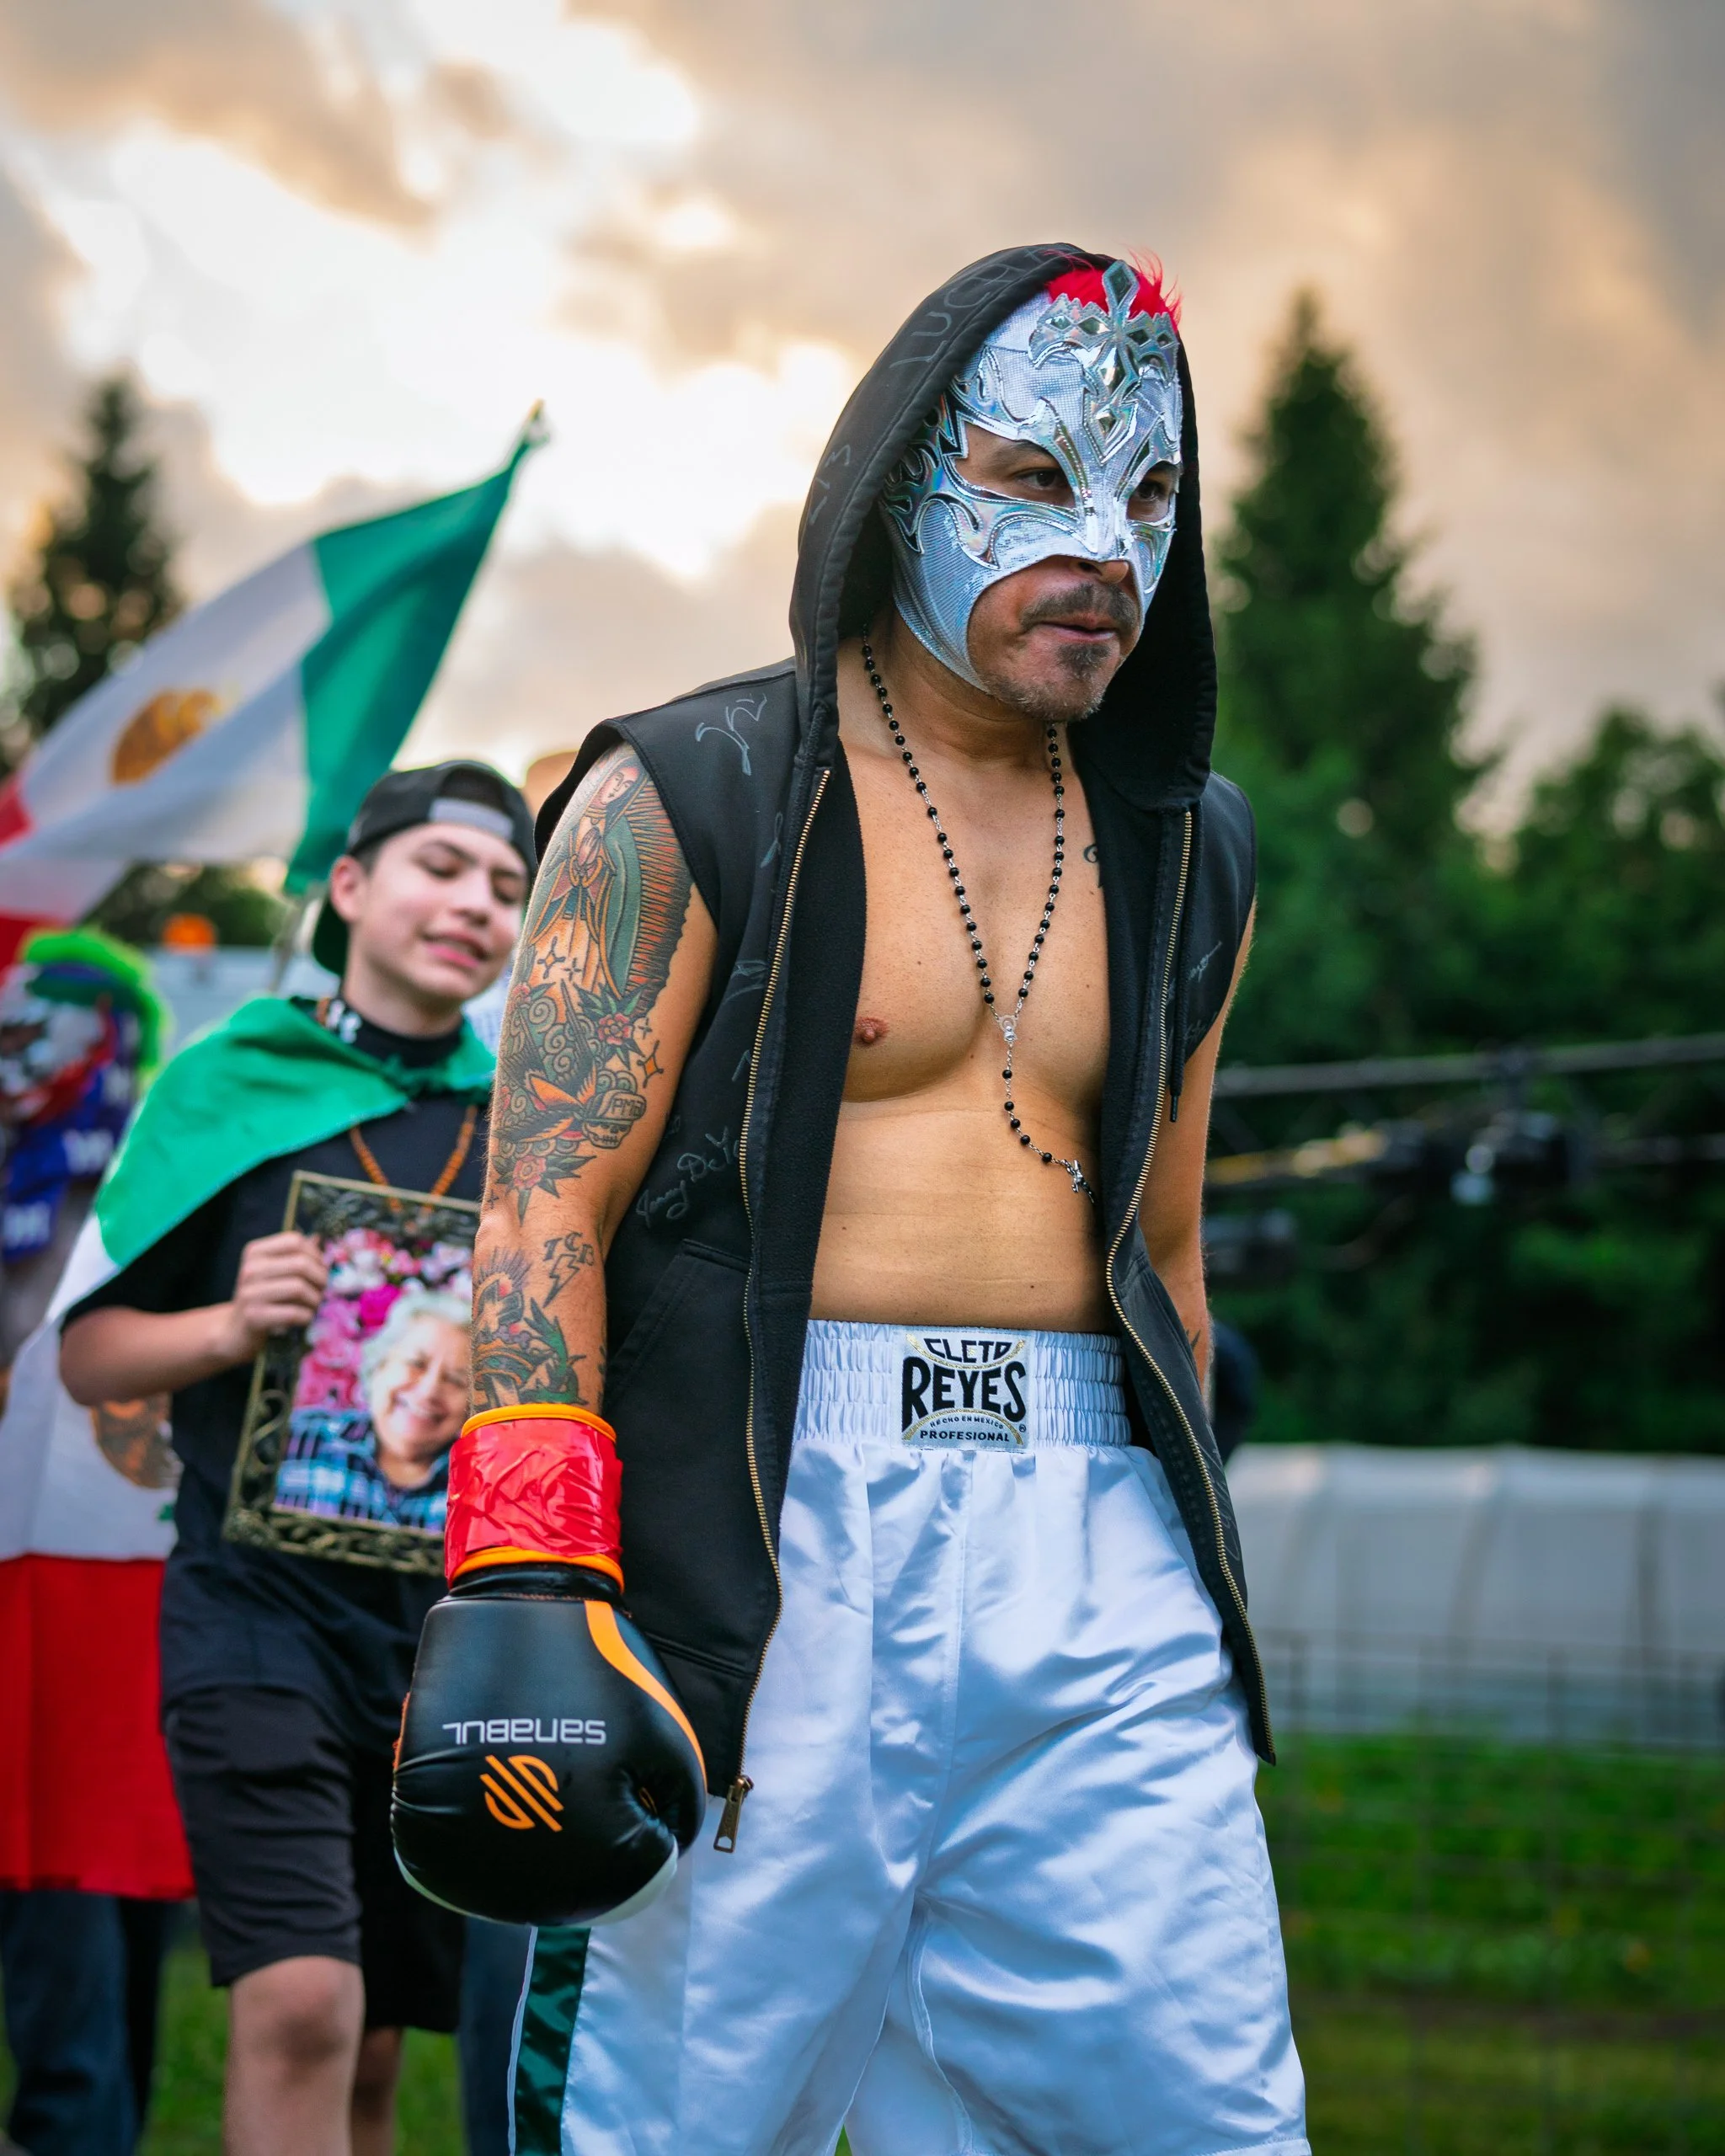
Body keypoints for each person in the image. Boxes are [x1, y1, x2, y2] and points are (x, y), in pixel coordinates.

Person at [400, 247, 1308, 2154]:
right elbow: (541, 1202)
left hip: (1091, 1541)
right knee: (663, 2120)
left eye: (1148, 496)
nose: (1105, 552)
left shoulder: (1189, 848)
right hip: (765, 1518)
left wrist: (1196, 1583)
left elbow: (1159, 1252)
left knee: (1203, 2116)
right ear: (900, 484)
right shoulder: (692, 788)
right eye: (1035, 477)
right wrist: (531, 1569)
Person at [58, 760, 533, 2156]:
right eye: (439, 867)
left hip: (439, 1651)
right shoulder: (229, 1086)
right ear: (349, 887)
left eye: (504, 889)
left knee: (380, 2048)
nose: (473, 907)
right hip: (250, 1621)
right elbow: (91, 1359)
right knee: (304, 2005)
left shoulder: (523, 1129)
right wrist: (227, 1320)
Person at [276, 1289, 471, 1528]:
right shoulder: (297, 1437)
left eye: (455, 1380)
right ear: (379, 1366)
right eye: (416, 1363)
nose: (429, 1391)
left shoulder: (481, 1489)